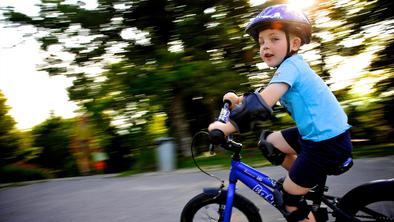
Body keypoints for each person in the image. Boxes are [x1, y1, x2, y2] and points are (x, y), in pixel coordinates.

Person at [208, 4, 353, 222]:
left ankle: (296, 194)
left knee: (289, 202)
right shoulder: (288, 69)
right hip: (319, 135)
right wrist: (237, 102)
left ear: (294, 43)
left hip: (326, 144)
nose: (266, 46)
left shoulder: (291, 68)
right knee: (270, 142)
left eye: (274, 39)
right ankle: (305, 184)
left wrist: (226, 128)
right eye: (261, 42)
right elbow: (258, 98)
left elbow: (260, 105)